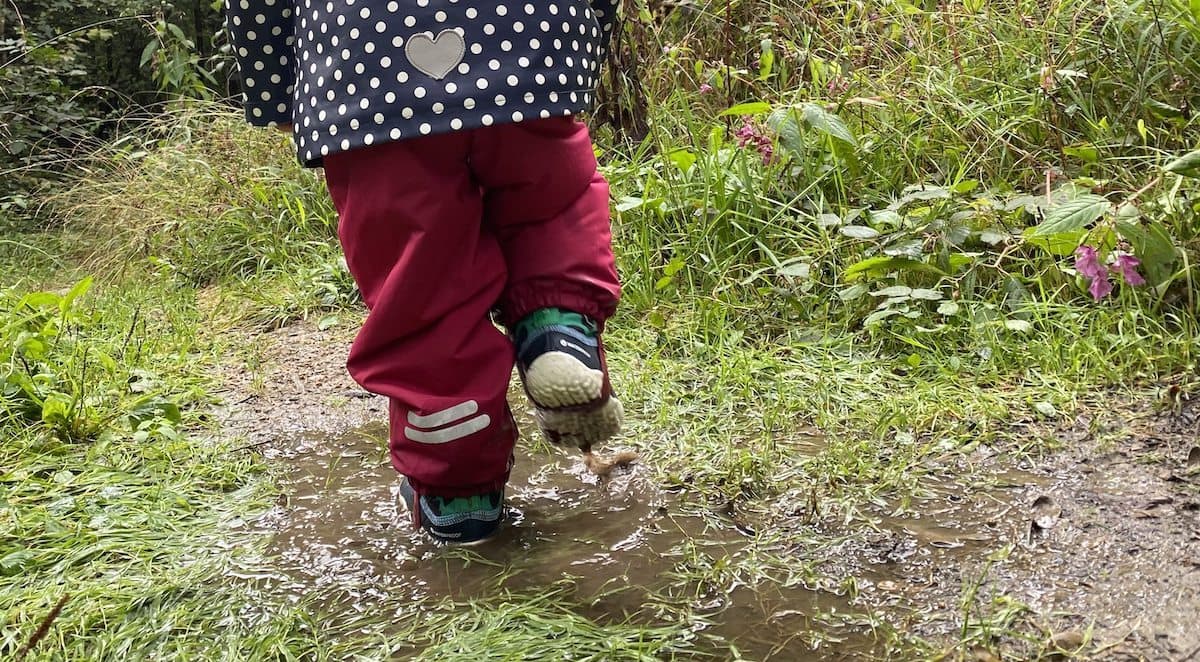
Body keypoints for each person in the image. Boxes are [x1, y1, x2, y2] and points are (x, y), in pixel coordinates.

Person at [225, 0, 624, 544]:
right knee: (549, 205)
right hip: (528, 32)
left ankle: (460, 492)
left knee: (421, 283)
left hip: (362, 58)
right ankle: (558, 327)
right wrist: (583, 39)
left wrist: (280, 91)